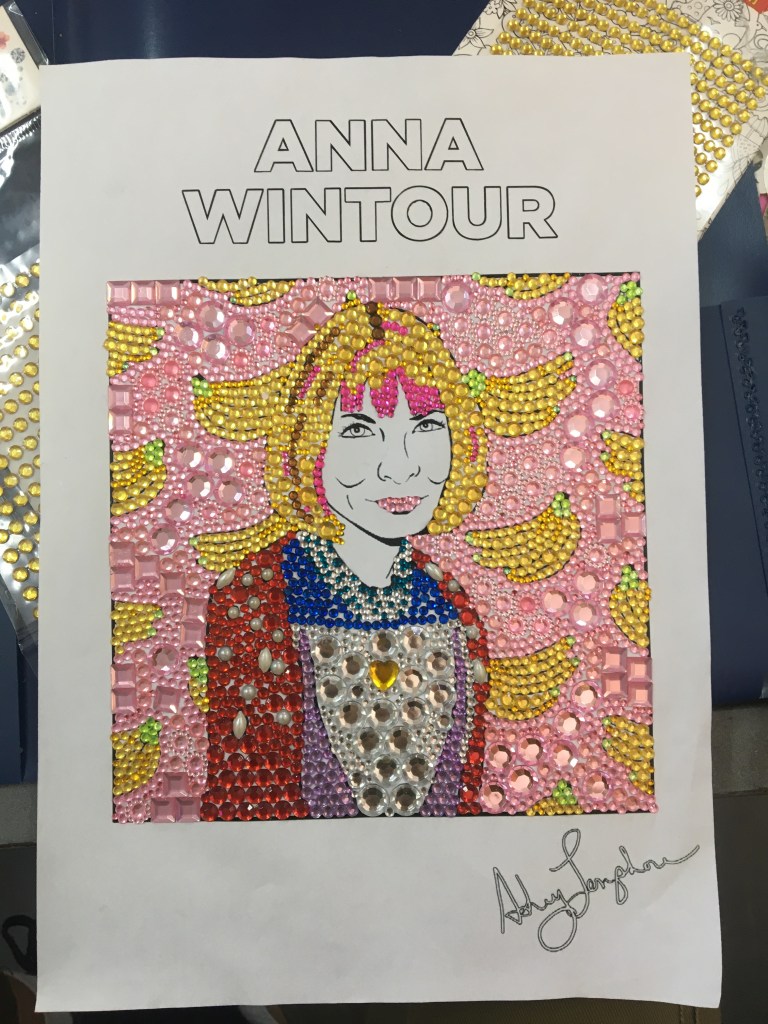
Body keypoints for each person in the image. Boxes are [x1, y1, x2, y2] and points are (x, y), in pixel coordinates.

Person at [190, 296, 575, 820]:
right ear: (310, 443)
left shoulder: (450, 604)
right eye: (359, 431)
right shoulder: (255, 599)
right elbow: (242, 803)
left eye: (425, 427)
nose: (400, 468)